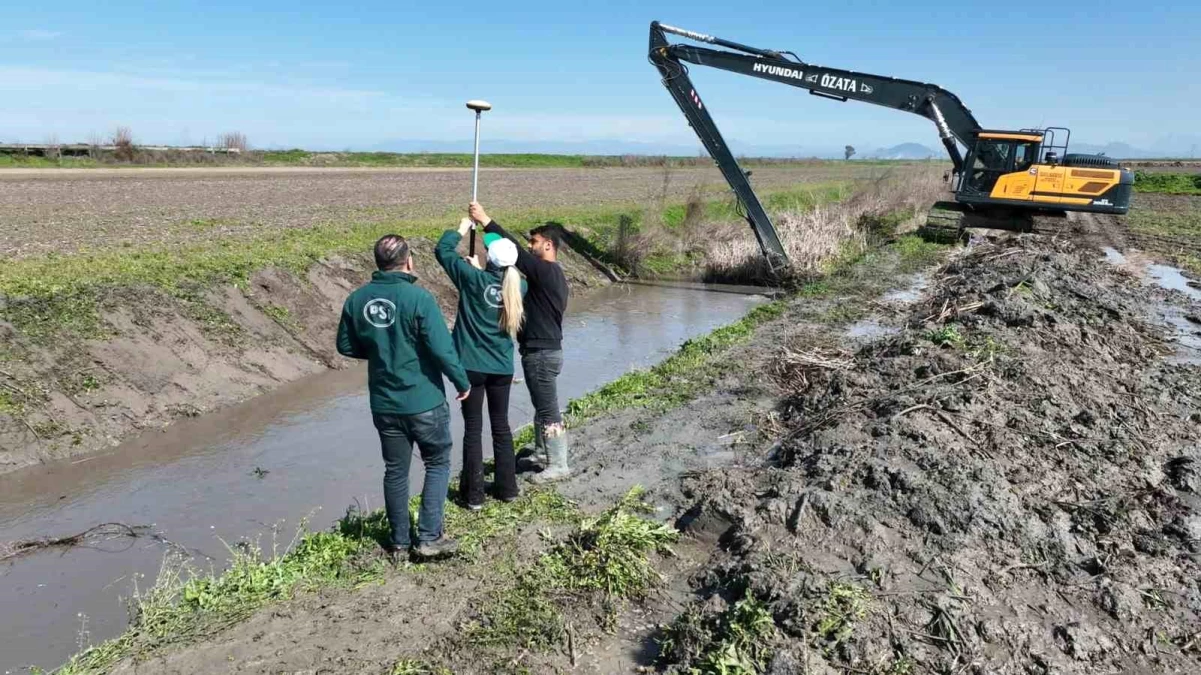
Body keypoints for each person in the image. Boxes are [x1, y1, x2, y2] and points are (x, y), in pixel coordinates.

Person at [336, 234, 471, 562]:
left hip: (384, 403)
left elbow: (345, 345)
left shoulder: (357, 299)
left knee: (395, 470)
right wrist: (461, 381)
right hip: (424, 400)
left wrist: (382, 350)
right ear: (408, 261)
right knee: (437, 463)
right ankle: (428, 537)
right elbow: (442, 349)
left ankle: (398, 542)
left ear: (377, 262)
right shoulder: (419, 299)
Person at [469, 201, 571, 483]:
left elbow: (510, 250)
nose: (530, 246)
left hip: (541, 353)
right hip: (543, 351)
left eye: (534, 242)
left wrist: (486, 221)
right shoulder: (550, 275)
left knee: (548, 407)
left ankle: (559, 464)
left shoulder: (545, 270)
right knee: (543, 404)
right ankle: (541, 453)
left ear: (548, 245)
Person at [434, 218, 526, 509]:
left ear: (489, 260)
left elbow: (442, 251)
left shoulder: (473, 279)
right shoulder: (519, 286)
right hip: (501, 367)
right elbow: (496, 286)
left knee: (473, 428)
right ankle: (507, 488)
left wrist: (461, 228)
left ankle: (473, 496)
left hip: (470, 366)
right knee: (501, 426)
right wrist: (479, 270)